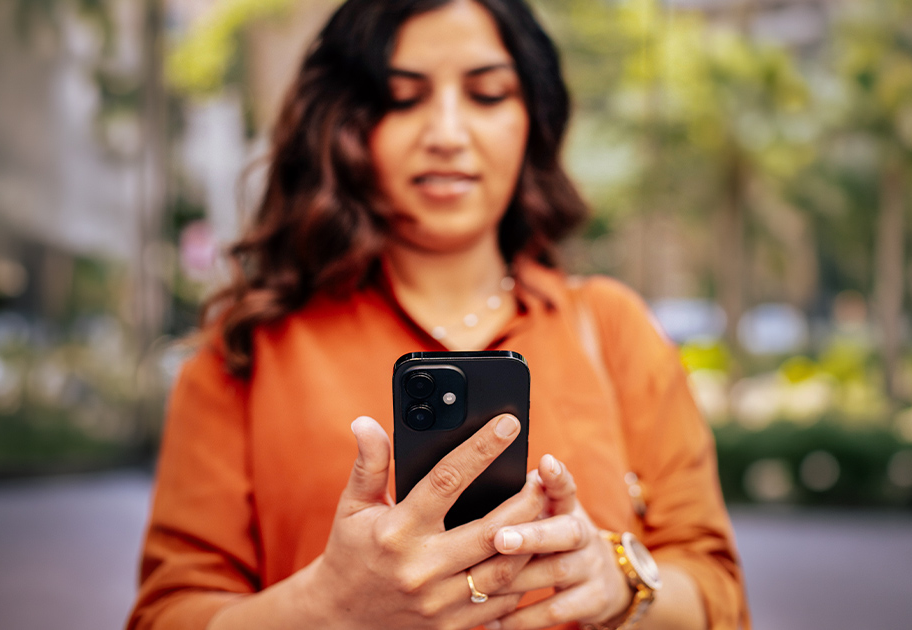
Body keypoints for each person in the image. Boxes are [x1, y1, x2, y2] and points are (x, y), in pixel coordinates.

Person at [127, 0, 749, 629]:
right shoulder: (249, 349)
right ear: (345, 124)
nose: (447, 133)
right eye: (403, 99)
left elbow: (716, 590)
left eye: (487, 94)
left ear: (532, 117)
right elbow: (168, 612)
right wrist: (328, 609)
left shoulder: (613, 328)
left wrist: (616, 583)